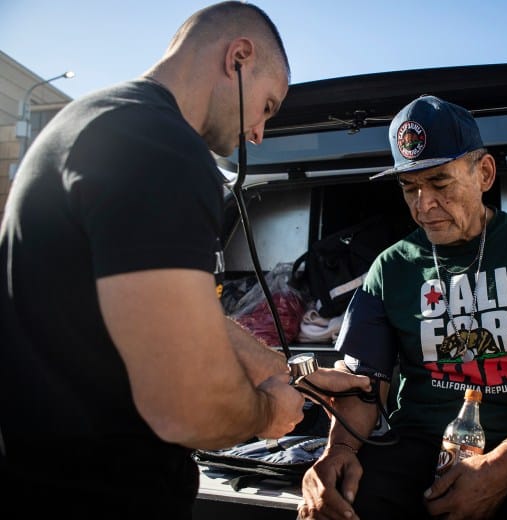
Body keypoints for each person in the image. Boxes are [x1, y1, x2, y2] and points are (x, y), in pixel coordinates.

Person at [0, 2, 370, 517]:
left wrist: (291, 373)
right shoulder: (162, 146)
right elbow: (185, 408)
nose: (259, 133)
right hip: (101, 494)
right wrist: (268, 413)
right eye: (267, 106)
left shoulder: (99, 120)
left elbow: (172, 317)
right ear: (238, 57)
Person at [298, 95, 507, 520]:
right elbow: (365, 384)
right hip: (419, 446)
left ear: (483, 173)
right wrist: (338, 450)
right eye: (409, 187)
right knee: (337, 508)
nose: (423, 204)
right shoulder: (391, 267)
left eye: (440, 183)